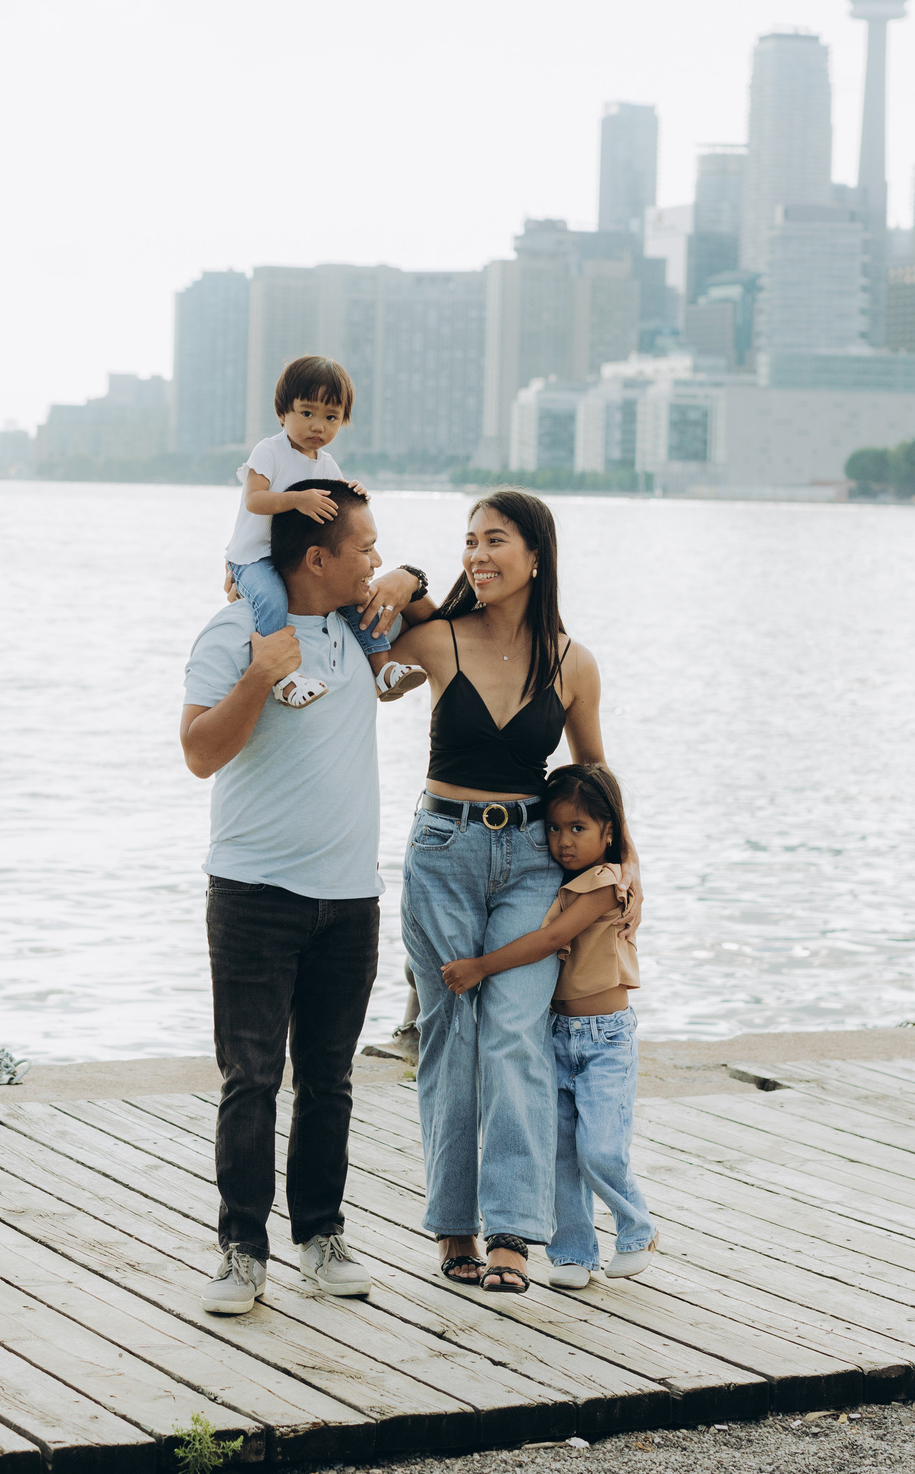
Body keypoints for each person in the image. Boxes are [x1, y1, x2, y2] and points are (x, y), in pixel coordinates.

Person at [180, 478, 431, 1314]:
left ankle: (320, 1236)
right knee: (250, 1078)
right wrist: (259, 677)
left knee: (330, 1079)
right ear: (315, 556)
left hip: (349, 899)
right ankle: (241, 1251)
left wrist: (411, 575)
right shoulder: (235, 628)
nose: (372, 559)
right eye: (364, 548)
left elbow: (460, 606)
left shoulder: (364, 627)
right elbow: (197, 753)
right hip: (254, 893)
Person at [375, 489, 628, 1294]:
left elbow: (595, 779)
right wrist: (403, 576)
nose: (478, 556)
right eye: (469, 542)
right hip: (443, 848)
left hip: (531, 860)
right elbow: (369, 656)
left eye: (495, 541)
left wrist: (626, 869)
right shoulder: (438, 637)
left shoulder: (573, 661)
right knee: (451, 1031)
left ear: (536, 556)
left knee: (516, 1030)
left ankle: (516, 1231)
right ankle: (455, 1226)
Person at [436, 763, 655, 1290]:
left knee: (599, 1147)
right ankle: (573, 1252)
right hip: (557, 1034)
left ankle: (636, 1228)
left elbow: (547, 939)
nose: (563, 842)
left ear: (610, 832)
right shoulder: (558, 881)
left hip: (606, 1039)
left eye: (578, 829)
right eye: (553, 829)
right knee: (557, 1152)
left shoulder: (606, 883)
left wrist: (481, 966)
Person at [223, 354, 428, 709]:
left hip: (294, 560)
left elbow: (339, 511)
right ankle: (283, 678)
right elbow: (255, 500)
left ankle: (381, 668)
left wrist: (354, 492)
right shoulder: (269, 451)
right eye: (307, 413)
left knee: (354, 598)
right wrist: (297, 499)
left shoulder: (327, 463)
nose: (318, 426)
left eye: (330, 417)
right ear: (282, 412)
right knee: (272, 600)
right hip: (254, 557)